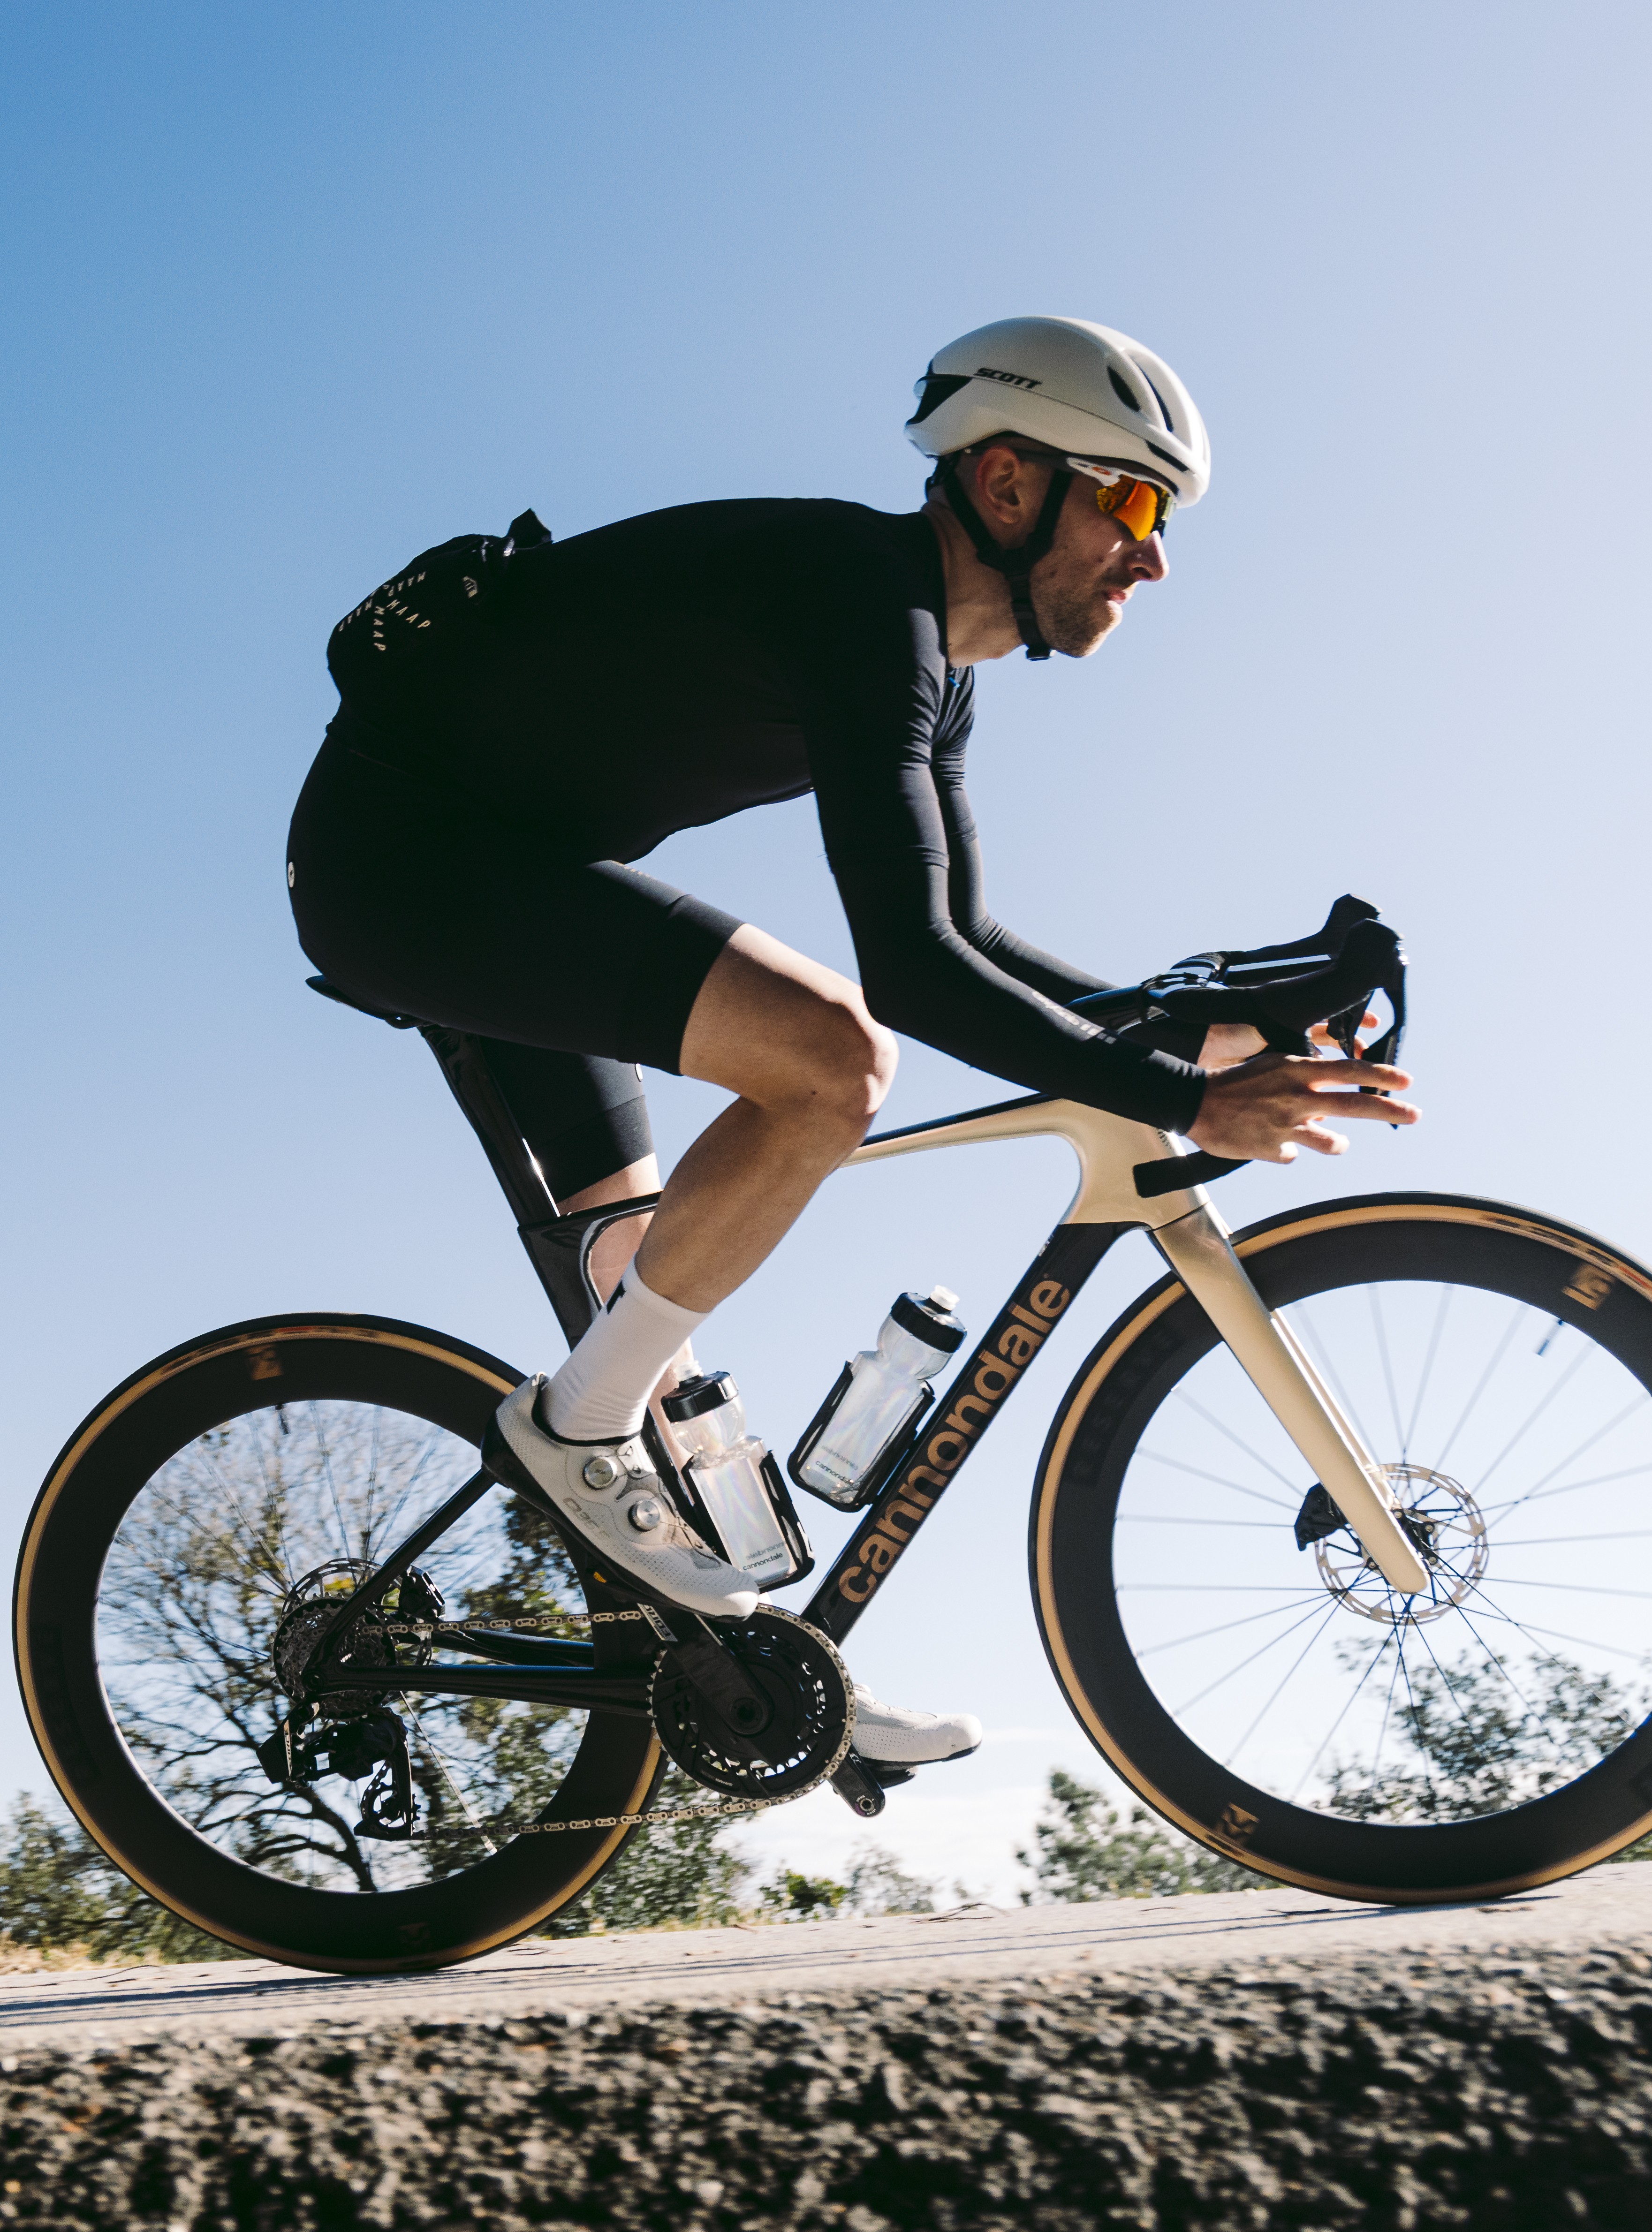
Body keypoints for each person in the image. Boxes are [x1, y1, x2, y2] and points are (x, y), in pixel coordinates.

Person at [285, 316, 1418, 1768]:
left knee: (650, 1290)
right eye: (1132, 504)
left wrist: (1181, 1020)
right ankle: (576, 1439)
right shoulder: (857, 602)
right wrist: (1176, 1097)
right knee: (835, 1061)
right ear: (1007, 483)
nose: (1155, 557)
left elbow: (977, 939)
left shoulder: (932, 673)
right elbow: (915, 975)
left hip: (508, 867)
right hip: (408, 859)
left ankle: (766, 1650)